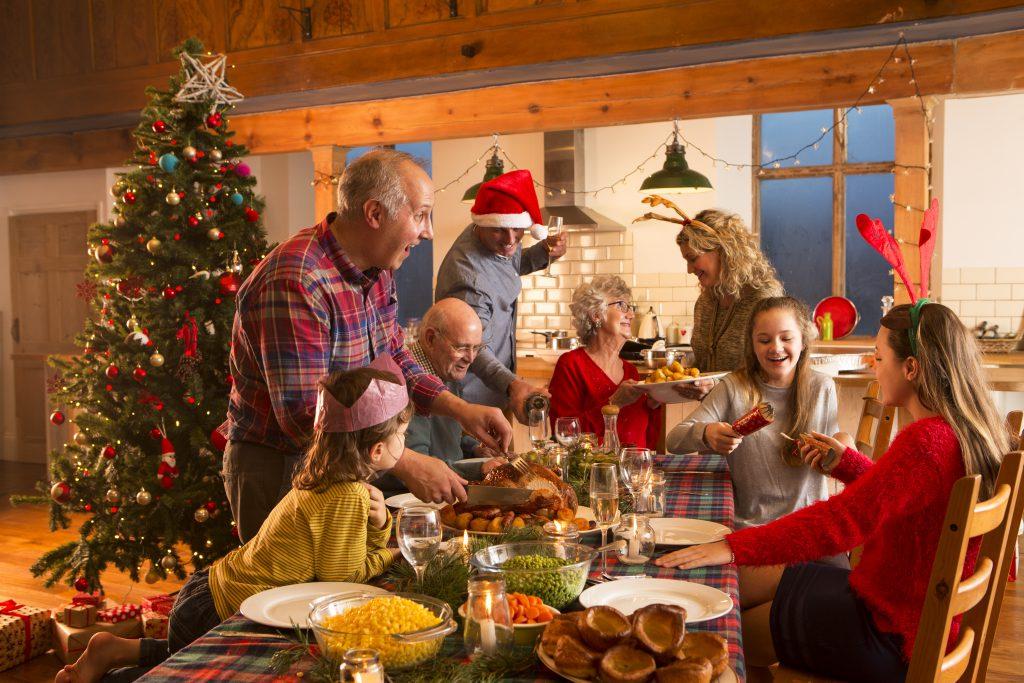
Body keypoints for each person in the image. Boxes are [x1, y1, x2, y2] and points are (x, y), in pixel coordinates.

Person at [656, 301, 1009, 682]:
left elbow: (841, 520)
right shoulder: (956, 431)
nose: (875, 366)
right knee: (727, 592)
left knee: (729, 631)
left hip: (886, 633)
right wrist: (846, 461)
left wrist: (735, 546)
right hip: (891, 606)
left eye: (878, 357)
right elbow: (897, 494)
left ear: (910, 368)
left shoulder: (925, 441)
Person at [56, 362, 412, 683]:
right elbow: (344, 582)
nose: (405, 441)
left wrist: (378, 525)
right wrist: (391, 551)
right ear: (376, 450)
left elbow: (338, 565)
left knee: (183, 653)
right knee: (190, 674)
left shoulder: (326, 480)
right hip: (220, 610)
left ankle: (112, 648)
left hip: (209, 592)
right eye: (403, 435)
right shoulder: (346, 495)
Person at [222, 148, 511, 542]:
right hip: (282, 468)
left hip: (344, 461)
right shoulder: (298, 280)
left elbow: (394, 361)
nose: (428, 231)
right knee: (289, 598)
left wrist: (459, 409)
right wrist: (406, 462)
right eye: (421, 214)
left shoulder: (377, 270)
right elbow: (306, 416)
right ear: (375, 214)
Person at [666, 296, 849, 536]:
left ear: (803, 341)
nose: (776, 347)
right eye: (764, 340)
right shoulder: (733, 387)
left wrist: (840, 450)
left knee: (842, 575)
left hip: (810, 526)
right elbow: (673, 440)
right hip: (752, 529)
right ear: (752, 345)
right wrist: (706, 433)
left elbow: (832, 458)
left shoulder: (822, 387)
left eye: (786, 338)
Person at [435, 169, 567, 421]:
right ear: (482, 224)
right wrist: (514, 385)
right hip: (470, 402)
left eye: (517, 229)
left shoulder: (491, 233)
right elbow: (472, 350)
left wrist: (544, 252)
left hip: (497, 391)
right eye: (499, 231)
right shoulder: (470, 279)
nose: (510, 239)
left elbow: (509, 261)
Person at [373, 298, 505, 495]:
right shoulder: (404, 387)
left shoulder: (446, 370)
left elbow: (445, 442)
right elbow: (416, 473)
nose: (471, 358)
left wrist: (475, 448)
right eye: (461, 347)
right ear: (431, 339)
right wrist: (479, 470)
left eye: (476, 348)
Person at [675, 209, 783, 400]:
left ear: (723, 251)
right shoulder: (705, 302)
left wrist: (717, 386)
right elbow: (704, 362)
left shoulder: (763, 300)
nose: (689, 269)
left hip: (757, 417)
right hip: (717, 416)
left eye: (693, 259)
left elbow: (775, 370)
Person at [549, 275, 662, 450]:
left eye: (629, 307)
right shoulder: (571, 365)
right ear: (596, 315)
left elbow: (647, 442)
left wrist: (654, 405)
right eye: (621, 305)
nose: (631, 314)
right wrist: (614, 403)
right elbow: (564, 438)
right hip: (591, 474)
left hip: (632, 473)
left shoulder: (630, 371)